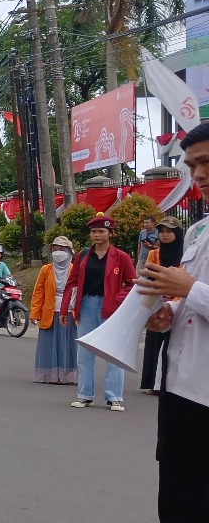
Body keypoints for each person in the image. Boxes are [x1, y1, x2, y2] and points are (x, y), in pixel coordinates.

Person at [137, 121, 209, 522]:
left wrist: (190, 288)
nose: (198, 175)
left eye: (206, 163)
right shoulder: (198, 230)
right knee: (178, 500)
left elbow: (192, 288)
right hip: (179, 388)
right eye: (192, 165)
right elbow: (186, 298)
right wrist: (168, 314)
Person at [60, 213, 135, 411]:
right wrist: (64, 308)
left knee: (112, 352)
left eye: (101, 231)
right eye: (93, 232)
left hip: (111, 308)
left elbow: (132, 283)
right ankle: (85, 395)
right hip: (86, 305)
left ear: (110, 233)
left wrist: (117, 298)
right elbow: (72, 282)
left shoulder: (121, 257)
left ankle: (114, 397)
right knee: (84, 352)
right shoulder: (84, 255)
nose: (97, 235)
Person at [140, 216, 183, 394]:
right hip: (157, 300)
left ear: (178, 233)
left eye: (169, 231)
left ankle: (173, 383)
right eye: (162, 231)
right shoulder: (154, 254)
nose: (165, 235)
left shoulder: (186, 253)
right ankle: (152, 384)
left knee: (175, 342)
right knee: (155, 340)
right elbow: (149, 276)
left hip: (178, 302)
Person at [29, 236, 79, 385]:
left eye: (61, 249)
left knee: (68, 344)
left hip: (70, 312)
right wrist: (34, 312)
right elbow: (38, 292)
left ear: (69, 251)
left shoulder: (76, 269)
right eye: (55, 249)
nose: (57, 252)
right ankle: (49, 374)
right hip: (49, 311)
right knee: (49, 343)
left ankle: (67, 375)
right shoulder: (46, 269)